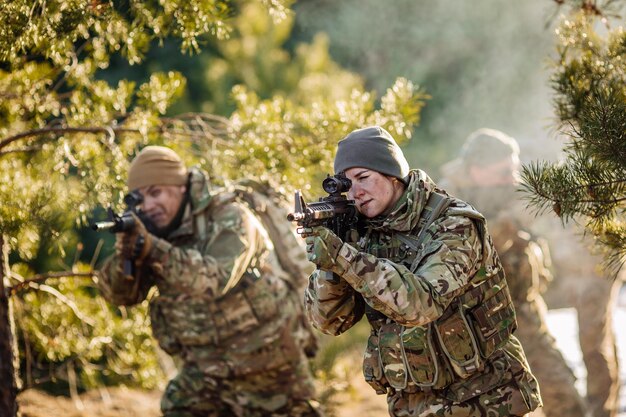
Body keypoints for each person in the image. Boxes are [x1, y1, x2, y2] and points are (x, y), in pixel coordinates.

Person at [303, 126, 542, 417]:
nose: (355, 192)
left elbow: (422, 304)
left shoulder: (453, 223)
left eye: (364, 178)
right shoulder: (363, 234)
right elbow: (329, 322)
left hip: (486, 400)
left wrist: (342, 257)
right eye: (346, 183)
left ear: (393, 175)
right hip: (413, 404)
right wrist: (329, 265)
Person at [97, 145, 322, 417]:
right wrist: (126, 255)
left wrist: (152, 248)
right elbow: (120, 296)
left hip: (270, 369)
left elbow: (212, 281)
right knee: (178, 405)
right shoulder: (154, 231)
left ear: (180, 187)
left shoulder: (231, 216)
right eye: (139, 198)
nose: (148, 205)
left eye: (156, 192)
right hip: (205, 373)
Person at [438, 128, 589, 417]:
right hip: (477, 326)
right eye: (504, 171)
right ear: (476, 170)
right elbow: (466, 252)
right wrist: (510, 222)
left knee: (565, 396)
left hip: (526, 312)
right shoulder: (446, 201)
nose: (513, 178)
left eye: (515, 168)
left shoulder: (511, 189)